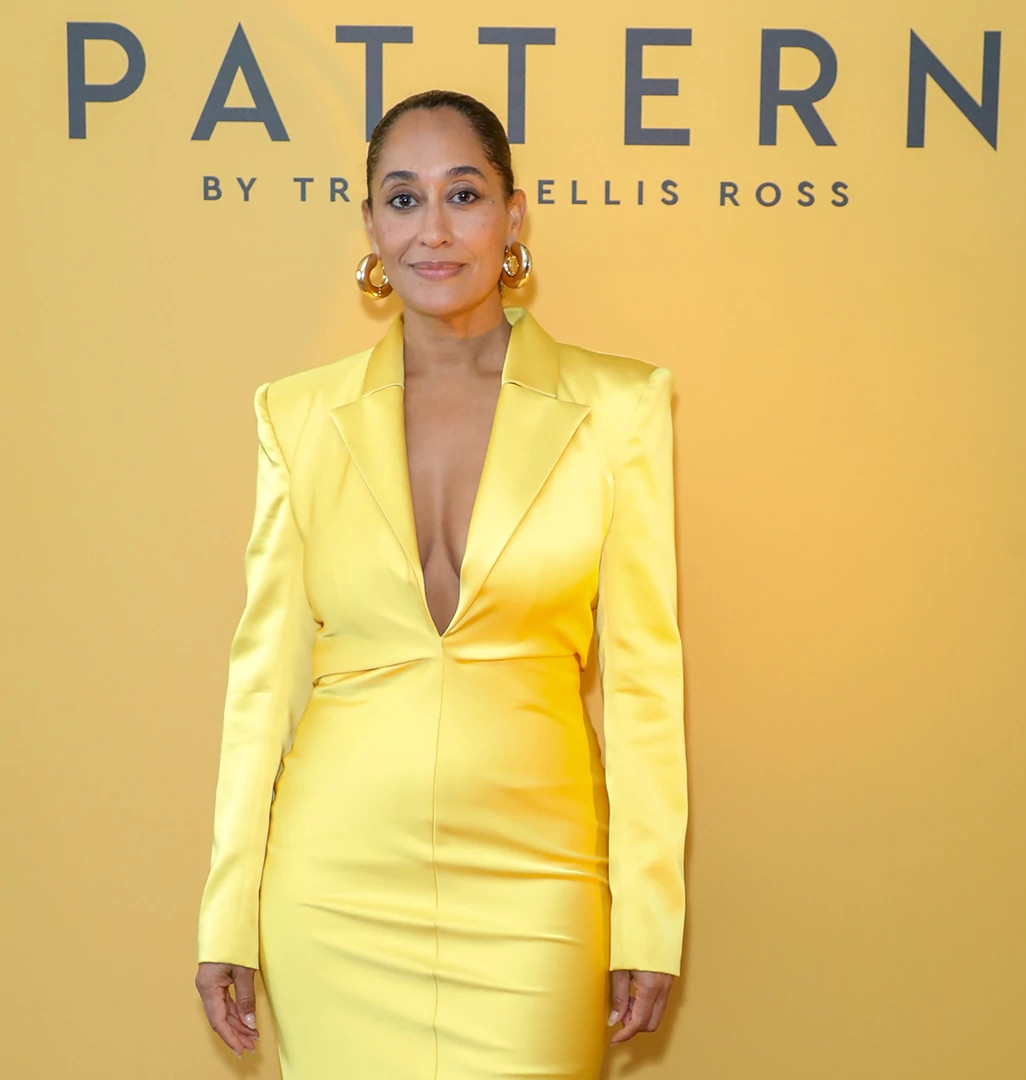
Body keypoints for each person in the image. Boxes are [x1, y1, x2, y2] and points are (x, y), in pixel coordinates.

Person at [194, 88, 687, 1080]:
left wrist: (649, 913)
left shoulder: (619, 407)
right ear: (372, 224)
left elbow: (644, 683)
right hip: (334, 885)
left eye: (463, 194)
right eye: (403, 198)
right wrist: (228, 911)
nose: (434, 229)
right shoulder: (297, 416)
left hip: (537, 881)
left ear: (513, 215)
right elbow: (264, 681)